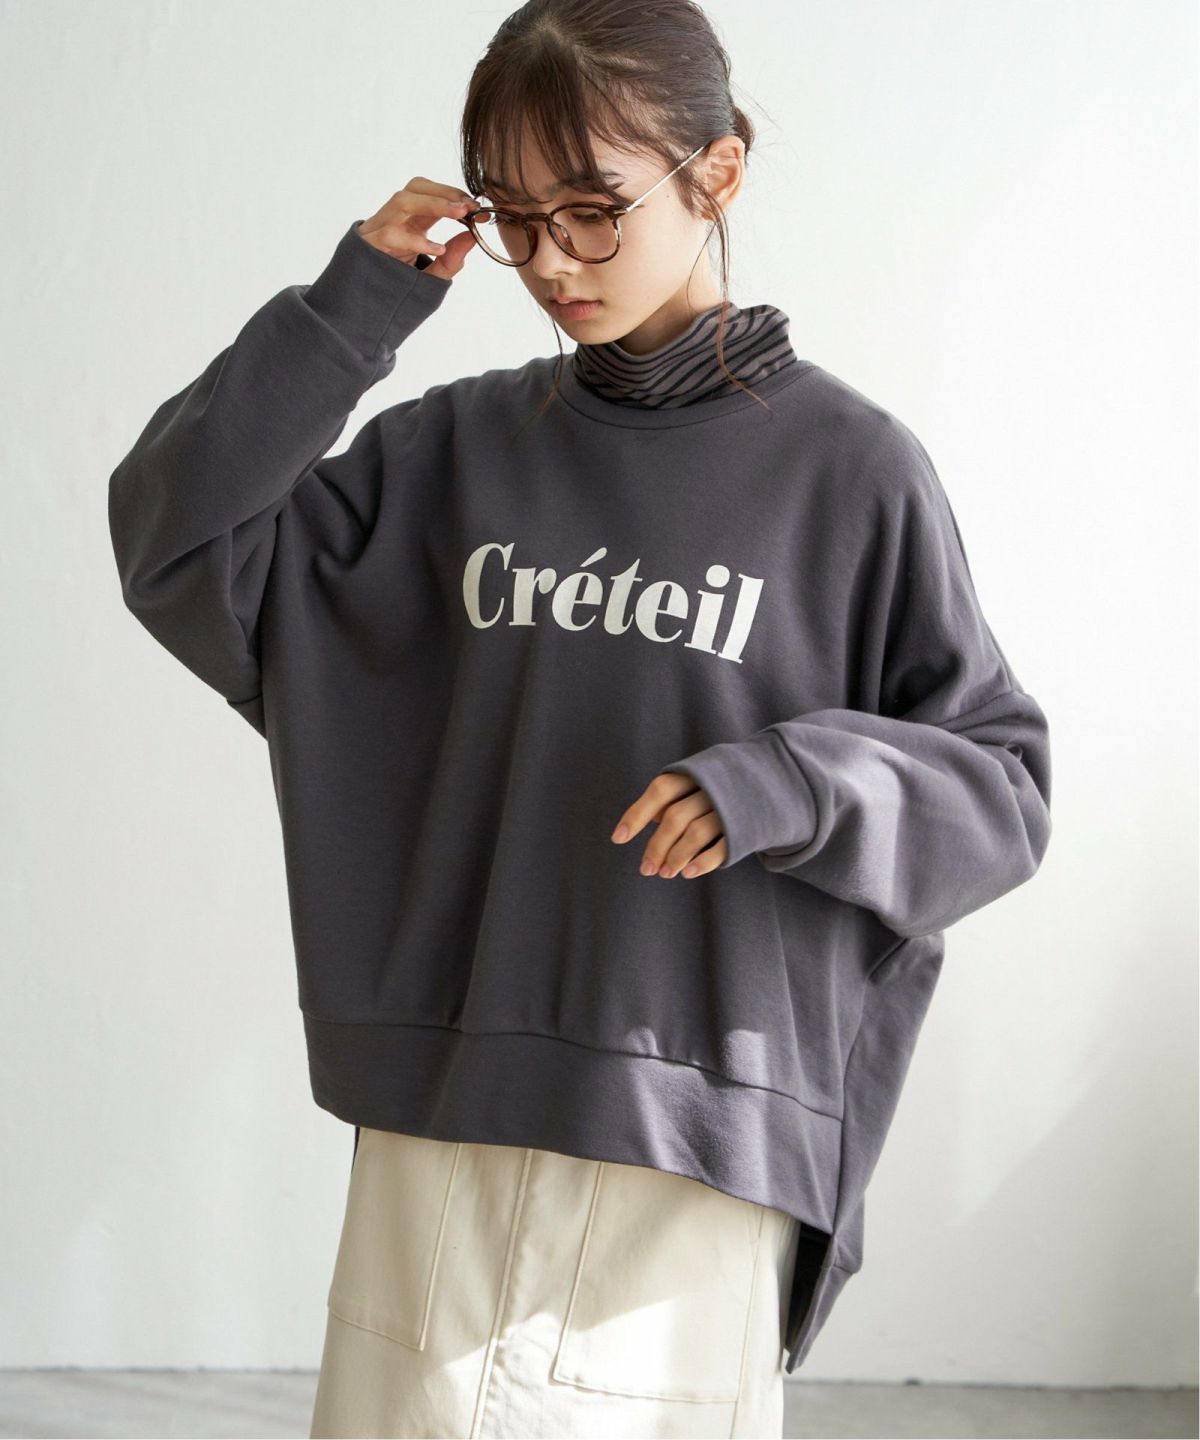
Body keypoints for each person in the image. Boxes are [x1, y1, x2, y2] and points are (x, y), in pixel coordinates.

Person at [106, 1, 1054, 1436]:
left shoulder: (852, 474)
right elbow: (178, 545)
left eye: (594, 211)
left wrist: (795, 783)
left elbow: (1001, 789)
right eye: (514, 217)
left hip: (694, 1146)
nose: (551, 260)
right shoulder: (451, 453)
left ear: (717, 174)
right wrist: (350, 311)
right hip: (445, 1125)